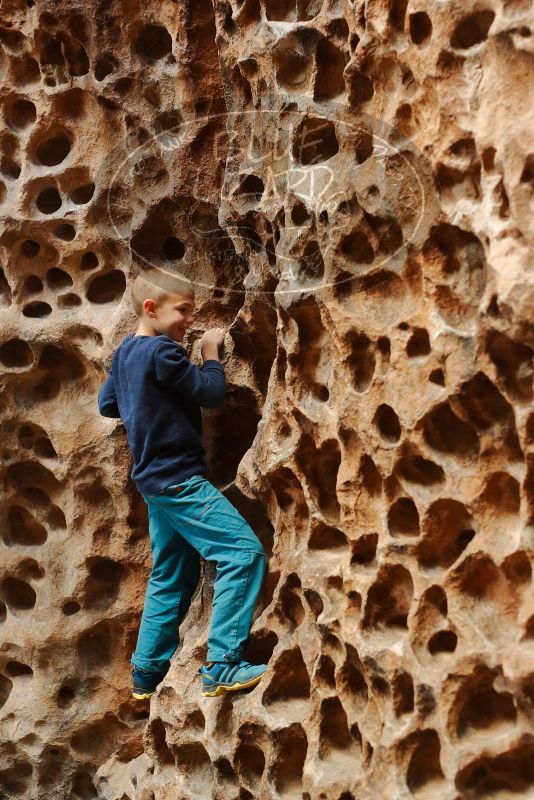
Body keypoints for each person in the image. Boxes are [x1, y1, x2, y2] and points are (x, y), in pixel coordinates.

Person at [97, 266, 267, 699]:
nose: (190, 321)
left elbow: (107, 404)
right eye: (184, 311)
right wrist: (210, 353)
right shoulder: (164, 354)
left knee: (171, 572)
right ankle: (223, 665)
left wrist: (147, 407)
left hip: (153, 482)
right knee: (242, 554)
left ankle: (146, 673)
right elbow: (209, 394)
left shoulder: (125, 354)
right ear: (151, 309)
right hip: (179, 480)